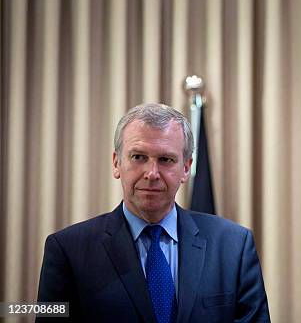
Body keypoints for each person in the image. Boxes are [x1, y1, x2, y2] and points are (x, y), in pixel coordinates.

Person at [37, 103, 270, 322]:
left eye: (166, 159)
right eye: (138, 157)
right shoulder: (67, 250)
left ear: (186, 168)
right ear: (116, 163)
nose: (152, 173)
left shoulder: (233, 246)